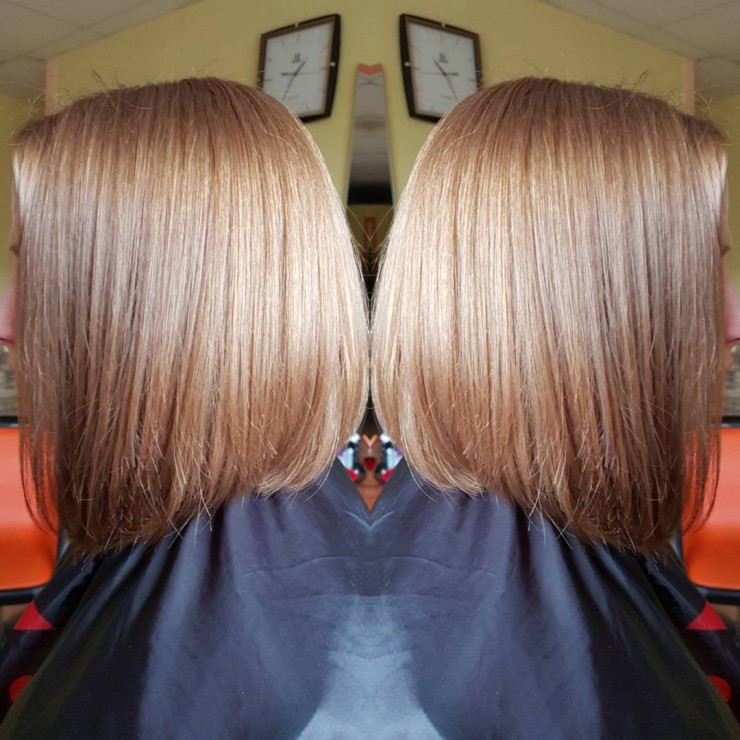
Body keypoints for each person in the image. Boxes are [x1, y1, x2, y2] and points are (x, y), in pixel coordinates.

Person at [0, 77, 369, 738]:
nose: (5, 320)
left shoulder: (251, 638)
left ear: (149, 307)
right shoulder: (155, 512)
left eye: (35, 269)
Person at [371, 77, 740, 737]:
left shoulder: (586, 513)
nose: (734, 320)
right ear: (590, 308)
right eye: (705, 268)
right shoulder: (486, 635)